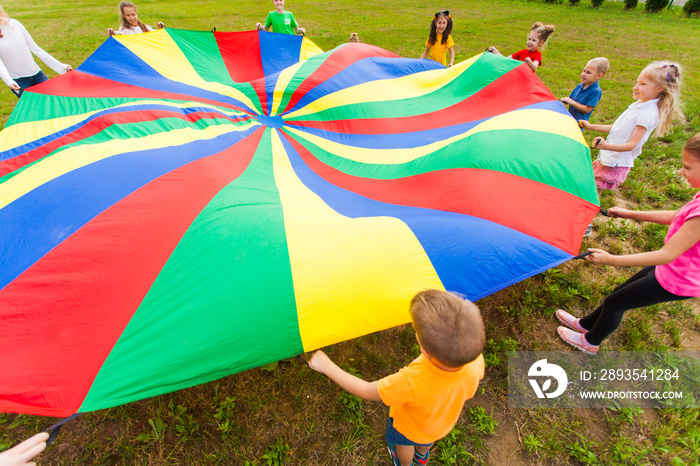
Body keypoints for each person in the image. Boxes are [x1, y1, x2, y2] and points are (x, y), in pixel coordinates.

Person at [556, 133, 700, 354]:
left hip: (678, 279)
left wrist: (611, 260)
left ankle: (590, 343)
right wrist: (629, 213)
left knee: (616, 303)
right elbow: (678, 215)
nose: (681, 172)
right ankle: (585, 324)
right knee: (618, 293)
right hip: (671, 267)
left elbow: (667, 254)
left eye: (687, 167)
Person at [308, 290, 486, 466]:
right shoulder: (476, 362)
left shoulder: (412, 381)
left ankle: (404, 462)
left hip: (408, 428)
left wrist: (328, 367)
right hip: (440, 425)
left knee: (403, 445)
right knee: (425, 441)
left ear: (424, 349)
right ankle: (423, 456)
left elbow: (365, 390)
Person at [581, 61, 683, 193]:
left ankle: (589, 212)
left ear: (659, 88)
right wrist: (591, 127)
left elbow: (631, 144)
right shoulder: (640, 105)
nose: (635, 87)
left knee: (593, 192)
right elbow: (620, 128)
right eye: (637, 82)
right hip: (609, 157)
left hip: (615, 163)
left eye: (643, 84)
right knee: (590, 189)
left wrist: (605, 146)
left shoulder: (648, 114)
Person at [0, 5, 72, 98]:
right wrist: (9, 81)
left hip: (38, 75)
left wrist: (61, 67)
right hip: (19, 82)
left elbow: (36, 49)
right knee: (37, 109)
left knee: (52, 102)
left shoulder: (14, 24)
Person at [487, 22, 555, 72]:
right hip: (517, 78)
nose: (530, 42)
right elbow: (507, 60)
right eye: (529, 39)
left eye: (534, 40)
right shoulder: (522, 52)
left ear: (540, 42)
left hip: (526, 82)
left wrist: (529, 62)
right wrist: (496, 52)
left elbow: (534, 67)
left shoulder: (537, 55)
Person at [561, 57, 610, 126]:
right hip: (570, 119)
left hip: (578, 124)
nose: (583, 74)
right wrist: (563, 100)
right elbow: (570, 99)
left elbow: (587, 109)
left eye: (588, 72)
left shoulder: (596, 91)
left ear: (599, 75)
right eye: (584, 71)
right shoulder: (579, 86)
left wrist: (573, 103)